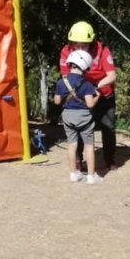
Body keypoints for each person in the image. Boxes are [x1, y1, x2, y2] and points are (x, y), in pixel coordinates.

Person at [59, 21, 118, 172]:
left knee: (108, 128)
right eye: (76, 45)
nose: (79, 49)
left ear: (91, 42)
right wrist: (84, 91)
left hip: (103, 93)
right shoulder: (66, 51)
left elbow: (111, 76)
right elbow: (67, 76)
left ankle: (109, 160)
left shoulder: (102, 50)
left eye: (84, 45)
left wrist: (94, 88)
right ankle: (78, 160)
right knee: (78, 127)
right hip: (80, 96)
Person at [53, 50, 102, 184]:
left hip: (67, 116)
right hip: (84, 117)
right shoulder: (87, 84)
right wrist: (97, 96)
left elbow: (57, 101)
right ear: (85, 66)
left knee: (72, 144)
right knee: (89, 146)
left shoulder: (61, 82)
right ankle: (91, 176)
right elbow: (90, 104)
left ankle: (74, 174)